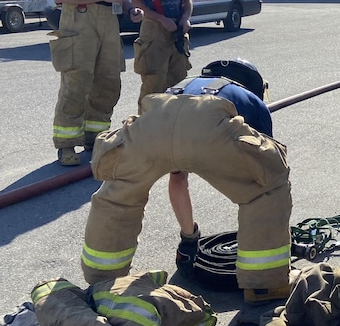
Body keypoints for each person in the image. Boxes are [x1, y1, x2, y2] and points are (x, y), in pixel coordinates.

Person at [80, 58, 294, 304]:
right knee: (267, 189)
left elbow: (178, 177)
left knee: (119, 195)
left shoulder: (183, 85)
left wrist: (189, 238)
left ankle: (103, 277)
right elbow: (262, 170)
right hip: (207, 128)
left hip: (153, 122)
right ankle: (263, 285)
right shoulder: (251, 101)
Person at [48, 0, 141, 166]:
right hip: (79, 22)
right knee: (76, 84)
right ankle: (66, 144)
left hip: (107, 25)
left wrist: (129, 9)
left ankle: (95, 136)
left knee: (109, 82)